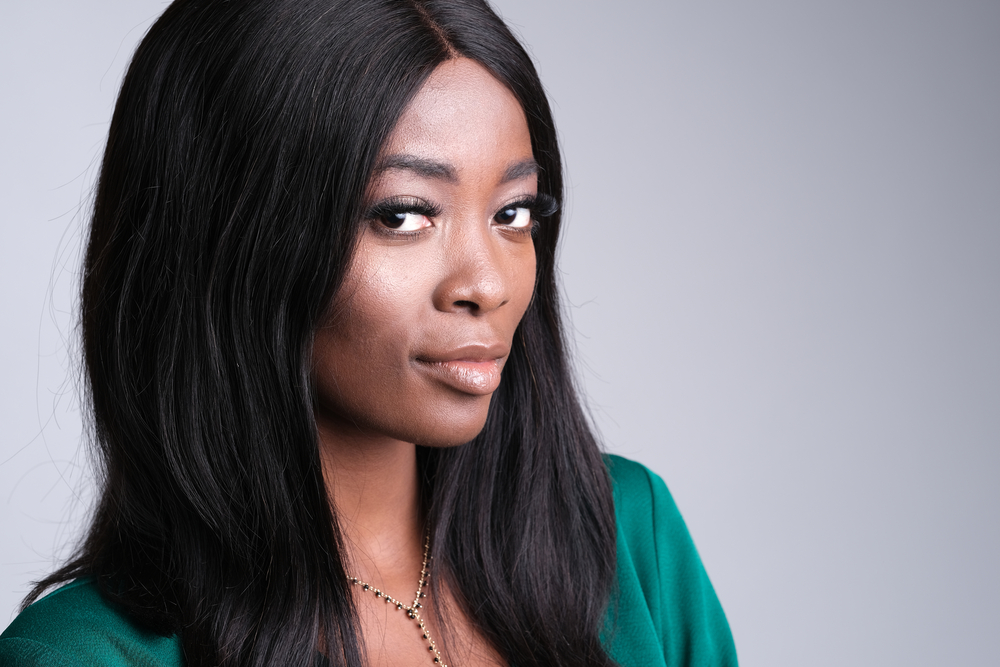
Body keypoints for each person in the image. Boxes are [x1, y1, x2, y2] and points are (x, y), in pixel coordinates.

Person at [0, 0, 737, 665]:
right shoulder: (81, 657)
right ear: (231, 245)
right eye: (403, 215)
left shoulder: (628, 539)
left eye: (513, 212)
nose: (487, 284)